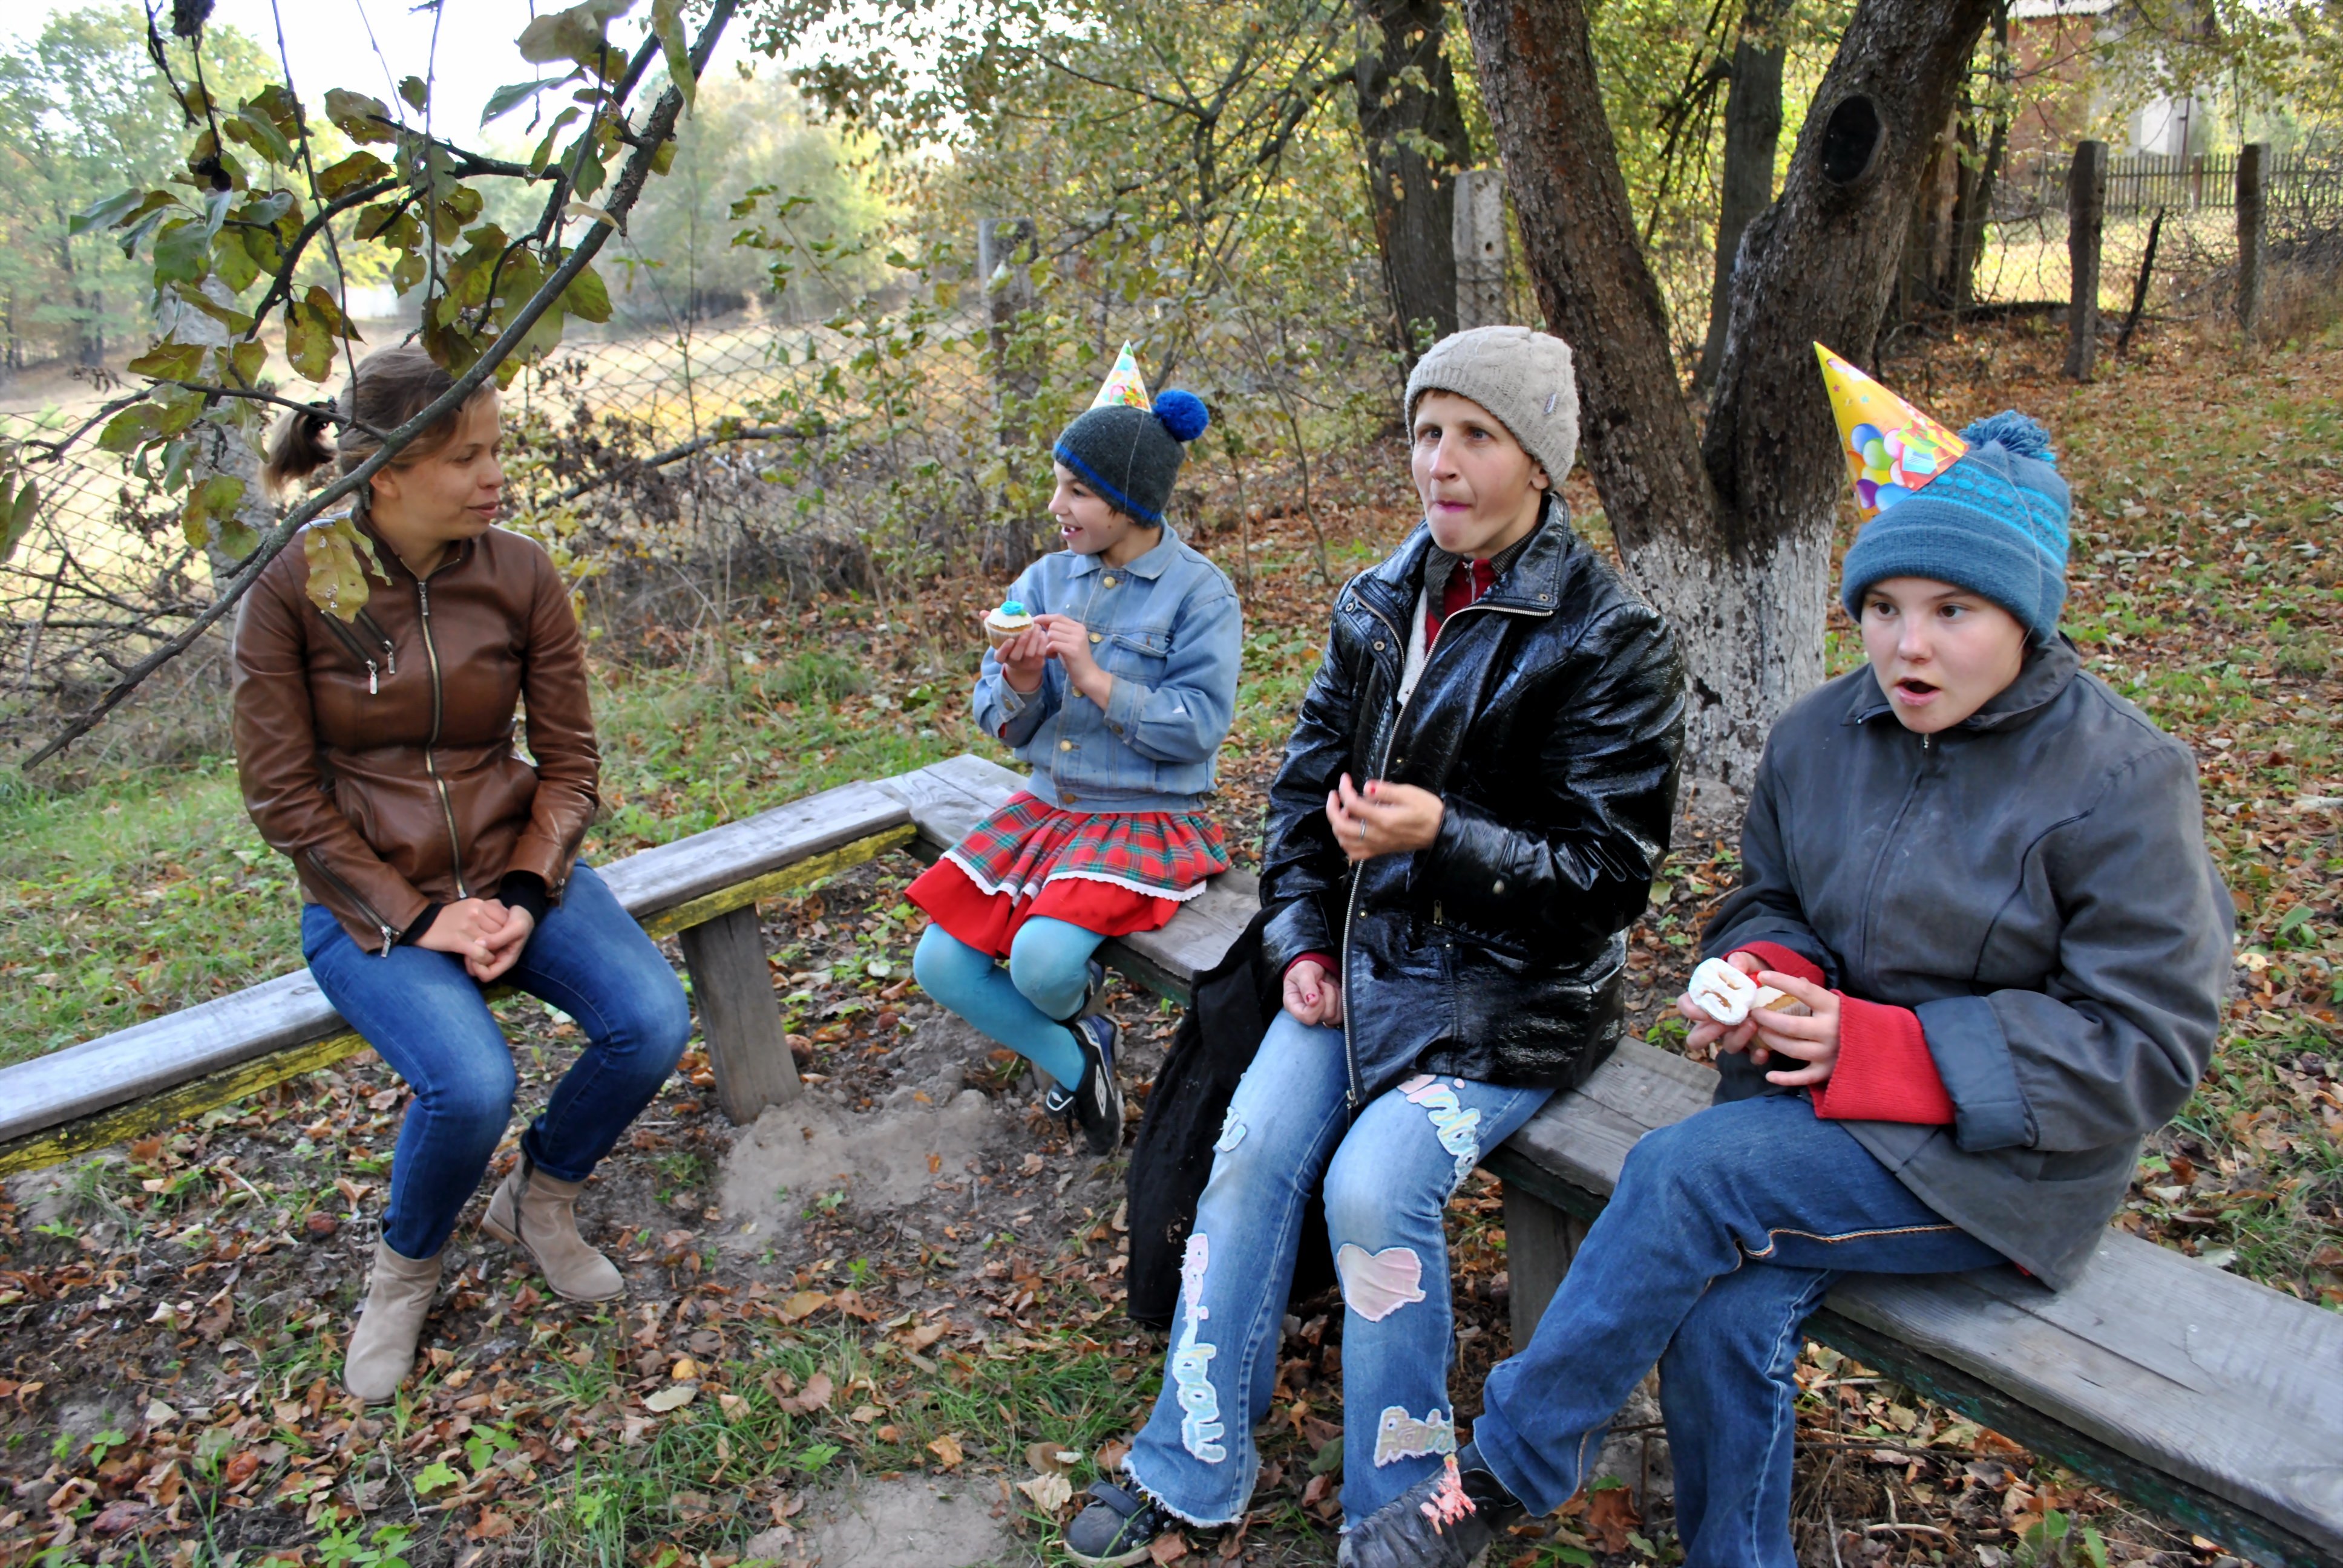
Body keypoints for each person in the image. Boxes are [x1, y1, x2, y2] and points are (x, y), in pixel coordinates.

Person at [1336, 348, 2232, 1568]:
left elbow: (2147, 1045)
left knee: (1687, 1174)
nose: (1908, 648)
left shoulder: (2121, 779)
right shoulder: (1823, 733)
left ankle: (1500, 1474)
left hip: (2002, 1166)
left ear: (2025, 616)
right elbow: (1772, 897)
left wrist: (1881, 1048)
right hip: (1813, 1121)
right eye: (1882, 608)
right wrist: (1763, 971)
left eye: (1953, 612)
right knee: (1723, 1316)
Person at [1061, 324, 1686, 1566]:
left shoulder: (1610, 637)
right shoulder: (1379, 598)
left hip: (1516, 999)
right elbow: (1300, 801)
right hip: (1361, 966)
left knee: (1370, 1188)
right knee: (1247, 1150)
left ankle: (1399, 1505)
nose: (1439, 462)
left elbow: (1607, 881)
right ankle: (1192, 1458)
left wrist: (1443, 836)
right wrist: (1299, 939)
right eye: (1425, 431)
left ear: (1540, 462)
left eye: (1476, 436)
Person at [236, 347, 690, 1404]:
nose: (495, 476)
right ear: (387, 472)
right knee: (472, 1084)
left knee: (651, 1021)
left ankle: (539, 1198)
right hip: (367, 902)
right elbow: (282, 800)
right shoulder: (296, 585)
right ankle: (404, 1272)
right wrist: (417, 917)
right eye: (466, 457)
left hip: (513, 864)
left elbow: (569, 766)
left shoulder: (519, 571)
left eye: (497, 449)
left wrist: (526, 891)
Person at [909, 346, 1239, 1154]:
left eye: (1078, 491)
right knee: (939, 964)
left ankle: (1068, 1009)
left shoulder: (1200, 594)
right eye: (1057, 484)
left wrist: (1093, 678)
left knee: (1043, 965)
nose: (1056, 505)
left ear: (1130, 502)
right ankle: (1079, 1053)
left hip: (1143, 816)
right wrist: (1022, 684)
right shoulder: (1044, 581)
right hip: (1047, 808)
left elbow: (1200, 726)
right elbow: (998, 718)